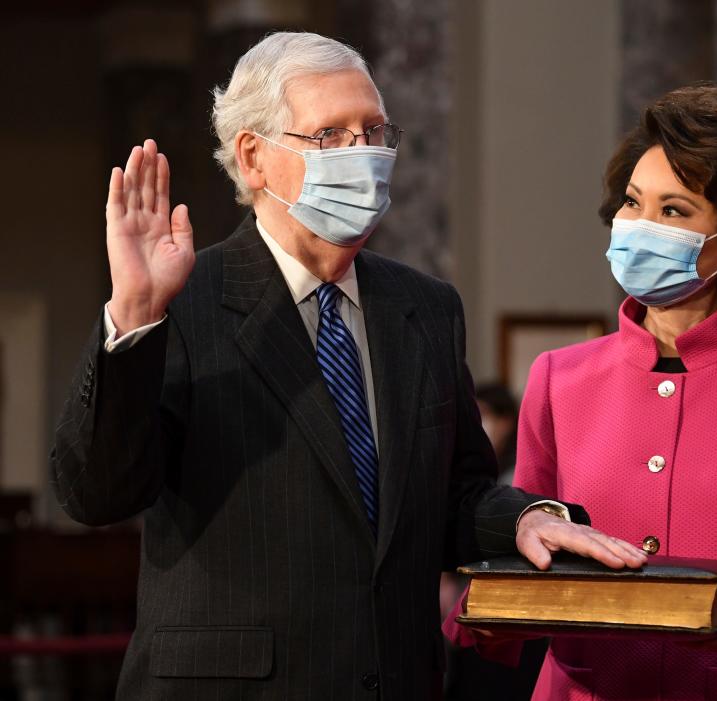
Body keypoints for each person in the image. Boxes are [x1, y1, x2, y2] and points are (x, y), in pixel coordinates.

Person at [49, 32, 645, 700]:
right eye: (330, 135)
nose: (364, 155)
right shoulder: (182, 298)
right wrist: (133, 316)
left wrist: (525, 518)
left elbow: (455, 494)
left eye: (375, 131)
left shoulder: (424, 307)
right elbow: (97, 493)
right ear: (254, 158)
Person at [445, 83, 717, 700]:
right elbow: (523, 546)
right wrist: (485, 613)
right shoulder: (557, 377)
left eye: (673, 211)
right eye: (632, 203)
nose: (641, 227)